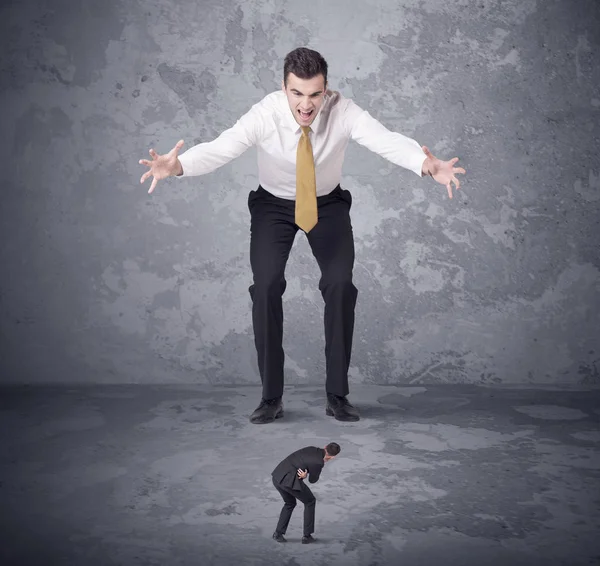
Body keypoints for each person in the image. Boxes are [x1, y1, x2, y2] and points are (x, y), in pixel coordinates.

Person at [138, 47, 465, 425]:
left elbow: (384, 139)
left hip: (326, 205)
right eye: (297, 93)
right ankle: (270, 398)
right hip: (273, 207)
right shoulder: (265, 114)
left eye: (314, 94)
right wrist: (179, 165)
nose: (306, 105)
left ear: (326, 90)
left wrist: (424, 164)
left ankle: (337, 396)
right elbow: (221, 148)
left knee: (341, 284)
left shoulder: (343, 111)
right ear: (284, 88)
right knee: (266, 286)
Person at [270, 442, 340, 543]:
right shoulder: (319, 462)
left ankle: (278, 534)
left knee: (290, 503)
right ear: (333, 457)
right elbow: (313, 480)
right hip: (289, 482)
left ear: (325, 446)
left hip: (278, 476)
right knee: (310, 501)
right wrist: (305, 475)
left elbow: (300, 460)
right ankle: (307, 536)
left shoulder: (311, 448)